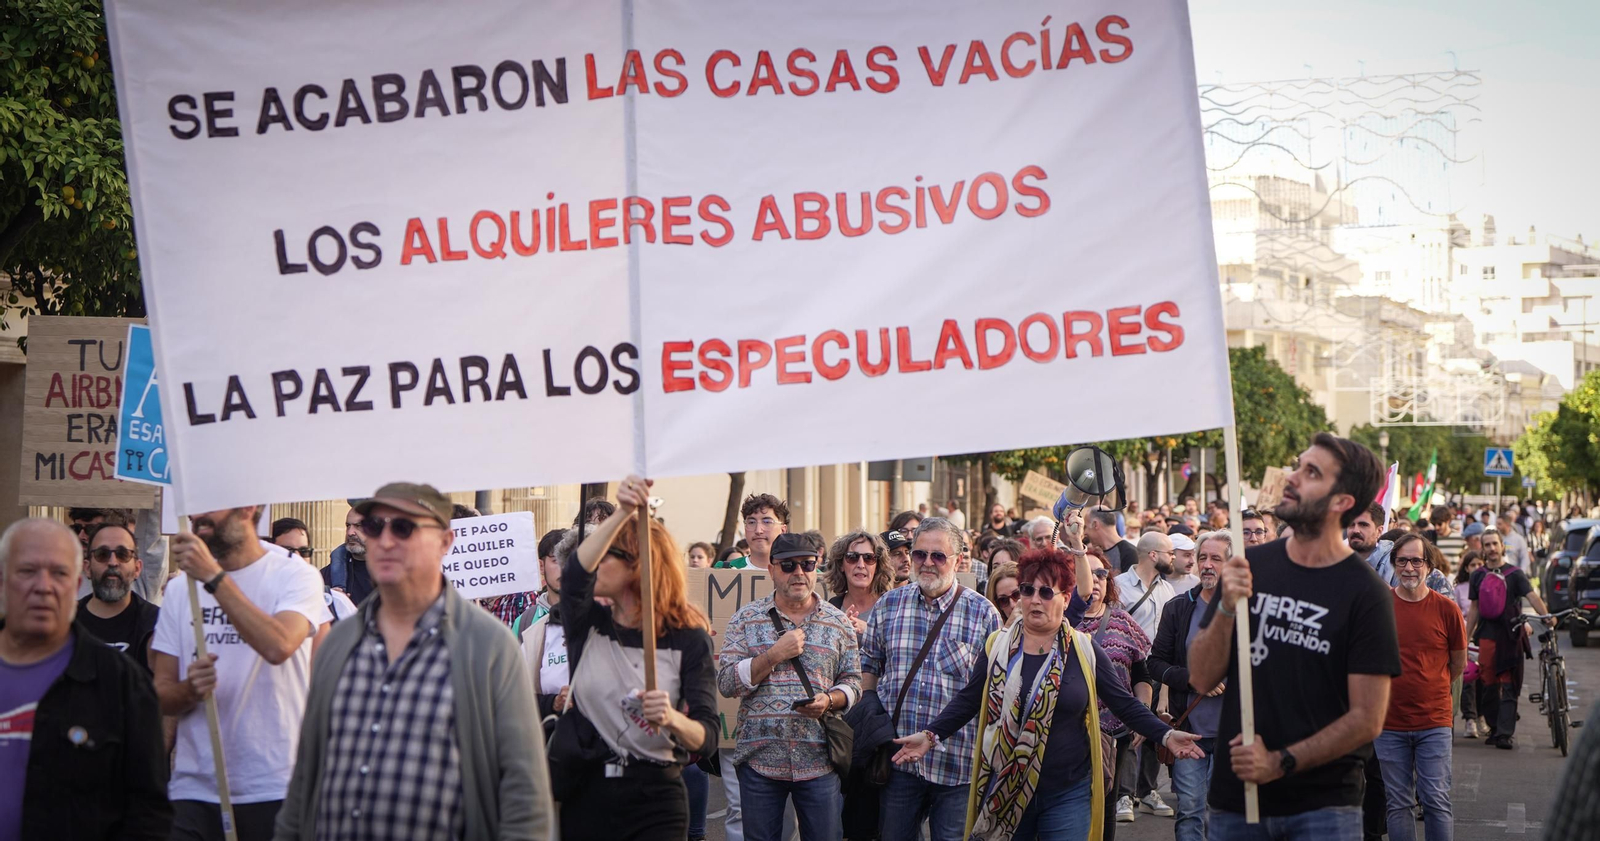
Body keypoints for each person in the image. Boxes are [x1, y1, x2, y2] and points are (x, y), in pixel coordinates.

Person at [274, 483, 552, 840]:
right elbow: (305, 781)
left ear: (444, 542)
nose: (386, 541)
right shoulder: (338, 643)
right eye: (374, 527)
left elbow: (525, 799)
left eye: (404, 528)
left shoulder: (488, 648)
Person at [893, 546, 1202, 841]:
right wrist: (930, 735)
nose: (1034, 600)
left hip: (1069, 790)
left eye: (1045, 592)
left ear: (1066, 598)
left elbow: (1122, 702)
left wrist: (1165, 735)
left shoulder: (1084, 650)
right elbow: (970, 699)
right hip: (1007, 787)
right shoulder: (997, 647)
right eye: (1026, 591)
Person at [1188, 432, 1400, 840]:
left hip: (1322, 809)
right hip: (1239, 803)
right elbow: (1200, 676)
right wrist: (1228, 606)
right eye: (1299, 465)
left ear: (1342, 503)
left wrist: (1280, 762)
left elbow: (1367, 719)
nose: (1293, 476)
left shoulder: (1366, 593)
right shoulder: (1248, 566)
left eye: (1312, 472)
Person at [553, 476, 718, 840]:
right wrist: (624, 510)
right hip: (586, 793)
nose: (595, 563)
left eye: (607, 552)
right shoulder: (588, 624)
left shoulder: (688, 639)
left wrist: (672, 718)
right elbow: (575, 573)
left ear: (637, 565)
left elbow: (707, 738)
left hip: (655, 801)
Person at [152, 505, 329, 841]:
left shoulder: (295, 576)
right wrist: (188, 690)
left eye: (209, 505)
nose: (196, 516)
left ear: (248, 508)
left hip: (276, 787)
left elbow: (279, 645)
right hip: (195, 790)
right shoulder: (180, 590)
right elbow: (160, 695)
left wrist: (216, 579)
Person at [0, 519, 171, 841]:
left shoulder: (122, 683)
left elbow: (148, 812)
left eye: (59, 573)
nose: (44, 586)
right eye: (27, 571)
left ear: (76, 582)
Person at [861, 518, 1002, 841]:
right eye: (919, 554)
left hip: (958, 764)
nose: (927, 563)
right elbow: (869, 661)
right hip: (897, 762)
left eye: (938, 556)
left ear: (957, 559)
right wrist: (870, 705)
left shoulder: (983, 613)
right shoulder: (889, 605)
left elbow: (994, 689)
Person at [718, 533, 861, 841]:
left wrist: (829, 699)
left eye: (807, 564)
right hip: (760, 761)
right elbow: (727, 682)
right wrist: (773, 655)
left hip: (819, 762)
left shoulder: (838, 622)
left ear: (817, 568)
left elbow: (853, 684)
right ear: (771, 570)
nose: (799, 572)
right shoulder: (747, 618)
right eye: (788, 565)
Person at [1375, 535, 1465, 841]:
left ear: (1429, 565)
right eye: (1403, 561)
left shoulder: (1447, 610)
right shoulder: (1379, 607)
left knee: (1435, 800)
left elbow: (1457, 664)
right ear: (1394, 565)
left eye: (1417, 561)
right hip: (1388, 724)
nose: (1410, 567)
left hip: (1434, 723)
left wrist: (1429, 687)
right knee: (1398, 804)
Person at [1148, 531, 1230, 841]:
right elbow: (1154, 663)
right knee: (1190, 810)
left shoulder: (1249, 609)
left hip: (1233, 733)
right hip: (1189, 732)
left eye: (1216, 559)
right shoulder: (1178, 607)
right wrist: (1194, 679)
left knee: (1225, 813)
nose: (1207, 565)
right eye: (1203, 558)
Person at [1076, 550, 1155, 834]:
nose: (1096, 580)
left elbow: (1142, 674)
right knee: (1071, 803)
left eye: (1101, 574)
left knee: (1106, 804)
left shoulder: (1122, 620)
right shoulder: (1058, 621)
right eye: (1089, 572)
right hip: (1068, 728)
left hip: (1114, 731)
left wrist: (1142, 712)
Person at [1464, 528, 1553, 749]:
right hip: (1486, 637)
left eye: (1495, 544)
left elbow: (1532, 597)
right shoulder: (1477, 575)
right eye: (1487, 545)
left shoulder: (1516, 574)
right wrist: (1464, 639)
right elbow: (1474, 609)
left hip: (1511, 637)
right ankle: (1494, 728)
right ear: (1482, 549)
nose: (1492, 548)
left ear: (1502, 546)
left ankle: (1504, 733)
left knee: (1509, 685)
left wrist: (1547, 617)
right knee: (1488, 684)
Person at [77, 521, 161, 671]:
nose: (113, 562)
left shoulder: (158, 624)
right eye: (102, 554)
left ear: (137, 568)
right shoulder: (63, 623)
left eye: (123, 555)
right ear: (87, 568)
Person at [518, 528, 575, 733]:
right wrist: (553, 703)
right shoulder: (529, 625)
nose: (564, 568)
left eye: (570, 561)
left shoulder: (607, 623)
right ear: (541, 565)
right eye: (556, 560)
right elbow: (518, 694)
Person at [272, 517, 357, 630]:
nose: (297, 558)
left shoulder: (337, 603)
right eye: (288, 551)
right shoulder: (249, 600)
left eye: (304, 551)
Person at [827, 530, 892, 636]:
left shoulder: (891, 605)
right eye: (852, 557)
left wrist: (868, 630)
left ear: (877, 566)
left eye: (869, 558)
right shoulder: (833, 607)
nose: (861, 565)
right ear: (841, 565)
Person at [321, 506, 374, 606]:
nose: (350, 533)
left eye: (358, 526)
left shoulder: (392, 570)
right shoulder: (328, 575)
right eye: (348, 526)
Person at [1346, 503, 1395, 586]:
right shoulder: (1333, 561)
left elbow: (1403, 597)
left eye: (1363, 525)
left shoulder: (1395, 562)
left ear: (1379, 531)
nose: (1356, 530)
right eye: (1351, 524)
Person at [1087, 508, 1139, 574]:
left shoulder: (1130, 553)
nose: (1085, 532)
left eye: (1086, 527)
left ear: (1095, 524)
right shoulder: (1094, 552)